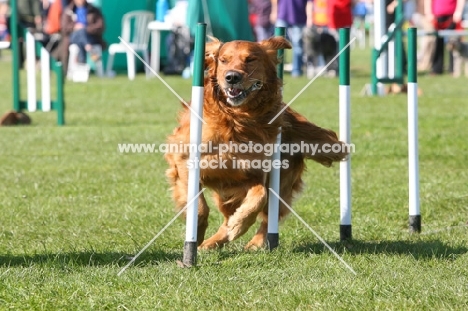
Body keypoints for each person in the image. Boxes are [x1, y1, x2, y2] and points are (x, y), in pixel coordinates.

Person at [61, 0, 105, 73]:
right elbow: (64, 27)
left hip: (90, 36)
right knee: (80, 33)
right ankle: (89, 49)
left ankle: (82, 63)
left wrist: (85, 29)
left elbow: (100, 26)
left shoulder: (93, 10)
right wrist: (74, 27)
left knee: (82, 34)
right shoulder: (69, 10)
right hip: (74, 36)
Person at [272, 0, 313, 77]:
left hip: (299, 18)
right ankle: (276, 70)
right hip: (282, 15)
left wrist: (310, 18)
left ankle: (296, 71)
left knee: (297, 45)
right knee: (277, 45)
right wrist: (274, 12)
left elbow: (310, 2)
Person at [427, 0, 466, 75]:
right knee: (437, 43)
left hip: (453, 16)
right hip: (436, 16)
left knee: (453, 44)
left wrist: (458, 11)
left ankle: (453, 69)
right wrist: (428, 12)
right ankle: (437, 69)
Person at [412, 0, 436, 71]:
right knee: (428, 38)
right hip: (421, 15)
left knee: (429, 39)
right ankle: (421, 61)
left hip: (428, 15)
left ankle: (426, 63)